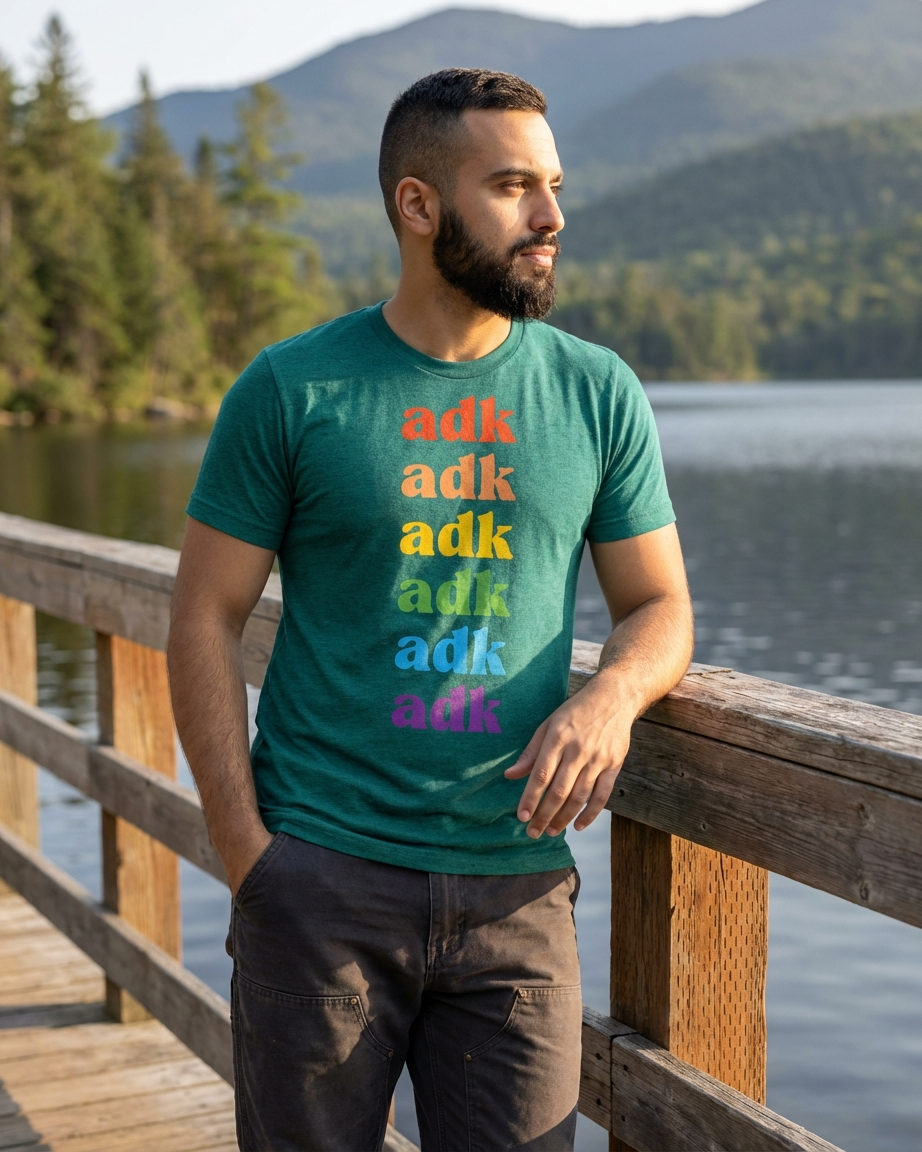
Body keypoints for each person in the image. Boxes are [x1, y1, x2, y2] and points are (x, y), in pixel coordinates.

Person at [167, 67, 693, 1152]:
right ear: (417, 204)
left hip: (517, 896)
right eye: (512, 186)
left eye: (553, 185)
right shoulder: (293, 389)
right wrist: (246, 852)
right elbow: (203, 614)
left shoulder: (594, 392)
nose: (550, 216)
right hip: (321, 884)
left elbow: (658, 606)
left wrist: (611, 700)